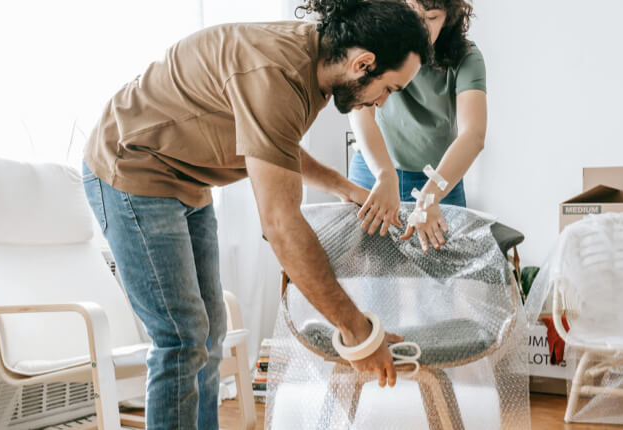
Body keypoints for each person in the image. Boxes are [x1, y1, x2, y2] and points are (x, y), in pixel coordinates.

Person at [80, 1, 432, 428]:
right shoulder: (277, 75)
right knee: (182, 338)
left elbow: (274, 143)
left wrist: (343, 186)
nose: (382, 103)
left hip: (187, 178)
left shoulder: (312, 66)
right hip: (132, 168)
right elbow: (281, 226)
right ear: (363, 64)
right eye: (390, 89)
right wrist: (358, 332)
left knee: (210, 334)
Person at [347, 0, 486, 252]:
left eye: (432, 18)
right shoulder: (374, 44)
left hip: (439, 178)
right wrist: (384, 174)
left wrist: (430, 195)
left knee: (443, 267)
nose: (420, 27)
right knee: (365, 265)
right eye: (413, 14)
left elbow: (473, 134)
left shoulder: (467, 58)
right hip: (373, 170)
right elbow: (360, 111)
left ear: (449, 17)